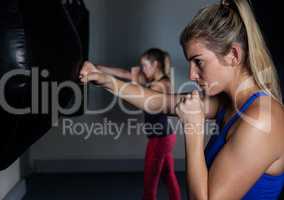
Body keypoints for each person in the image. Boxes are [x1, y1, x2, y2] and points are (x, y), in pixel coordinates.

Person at [79, 0, 284, 199]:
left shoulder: (261, 119)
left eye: (198, 62)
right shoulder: (230, 102)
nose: (192, 74)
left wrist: (193, 128)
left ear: (233, 55)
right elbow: (159, 102)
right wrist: (105, 80)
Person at [86, 48, 181, 200]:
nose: (142, 69)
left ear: (155, 64)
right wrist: (97, 68)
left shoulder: (162, 84)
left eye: (144, 66)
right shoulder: (154, 81)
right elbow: (123, 73)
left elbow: (139, 99)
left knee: (150, 182)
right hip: (165, 137)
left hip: (159, 139)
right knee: (168, 175)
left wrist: (134, 83)